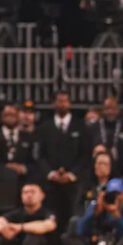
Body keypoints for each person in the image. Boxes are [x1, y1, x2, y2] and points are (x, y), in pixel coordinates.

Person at [36, 91, 88, 227]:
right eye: (59, 101)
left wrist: (72, 174)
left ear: (69, 103)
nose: (62, 104)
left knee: (72, 217)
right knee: (52, 217)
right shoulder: (44, 127)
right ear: (53, 103)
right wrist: (50, 173)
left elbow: (85, 154)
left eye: (65, 101)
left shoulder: (81, 126)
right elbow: (39, 155)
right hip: (50, 184)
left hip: (73, 184)